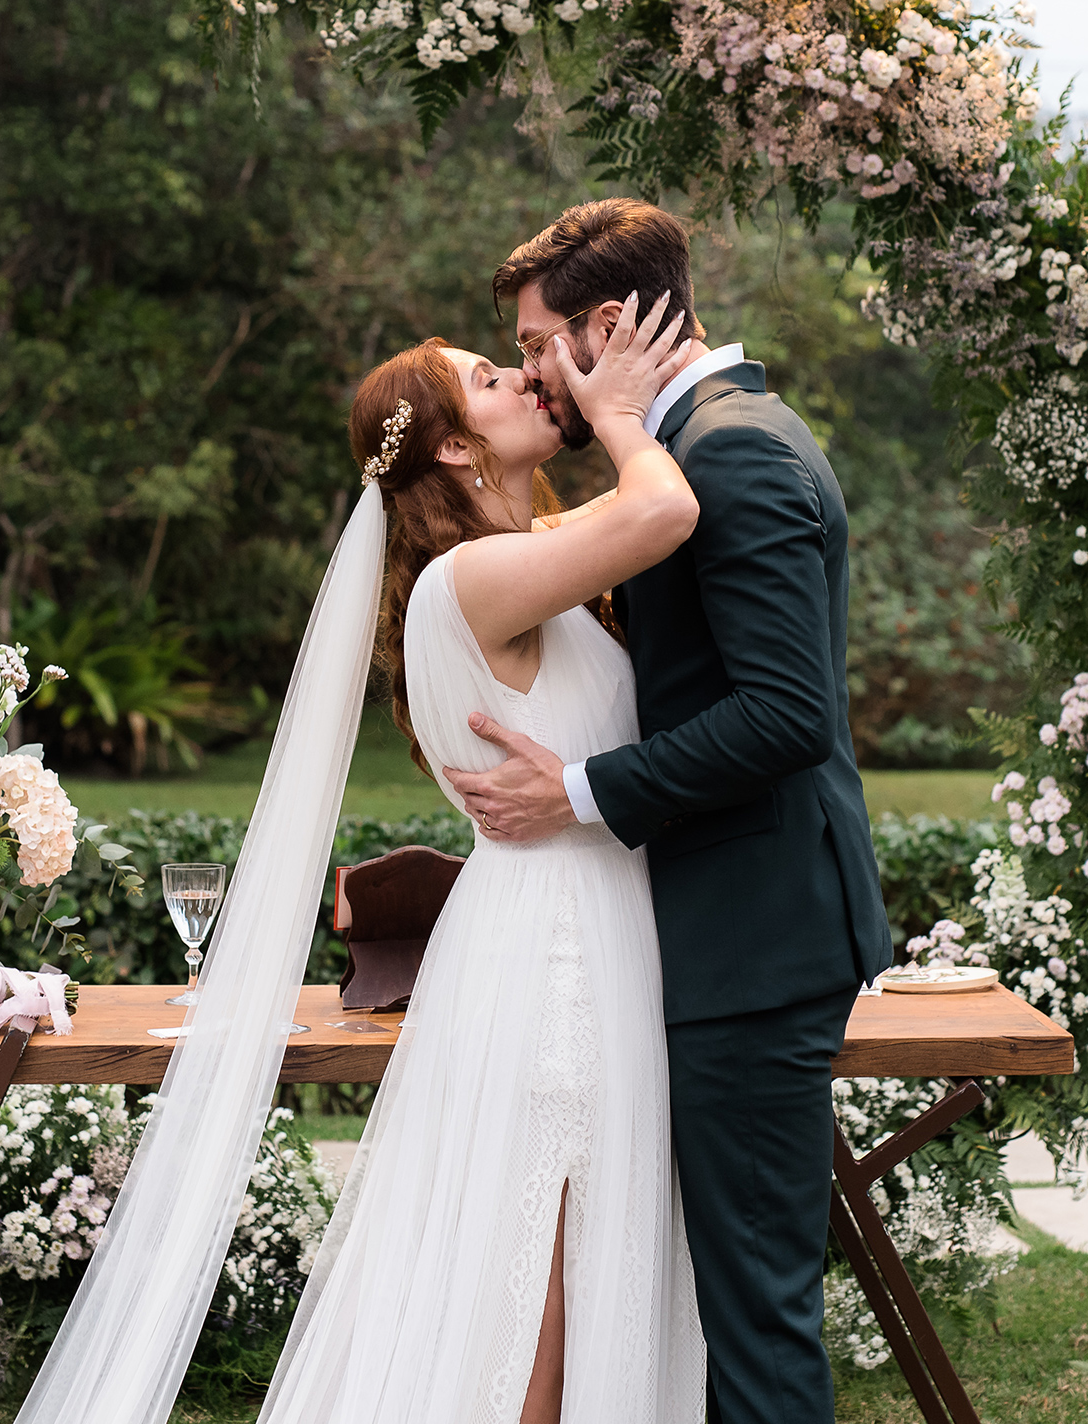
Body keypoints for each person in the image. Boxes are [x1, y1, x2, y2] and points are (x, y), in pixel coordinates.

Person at [443, 199, 894, 1424]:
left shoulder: (730, 448)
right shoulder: (693, 439)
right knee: (727, 1300)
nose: (535, 373)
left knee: (751, 1314)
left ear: (603, 325)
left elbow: (786, 714)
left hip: (753, 940)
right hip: (732, 933)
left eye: (538, 344)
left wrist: (578, 791)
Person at [257, 297, 708, 1421]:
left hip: (578, 934)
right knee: (535, 1304)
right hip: (551, 958)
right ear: (454, 443)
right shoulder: (471, 584)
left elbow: (615, 527)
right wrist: (616, 415)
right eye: (492, 379)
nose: (526, 380)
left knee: (566, 1266)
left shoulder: (519, 560)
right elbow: (660, 509)